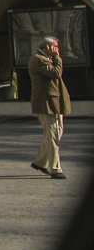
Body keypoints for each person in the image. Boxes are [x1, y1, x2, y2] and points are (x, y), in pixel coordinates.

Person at [28, 35, 71, 180]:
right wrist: (57, 58)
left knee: (56, 133)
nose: (57, 50)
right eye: (55, 47)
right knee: (52, 136)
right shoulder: (38, 60)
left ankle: (40, 161)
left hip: (55, 102)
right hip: (45, 102)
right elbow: (55, 73)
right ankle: (55, 168)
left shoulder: (47, 60)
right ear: (47, 47)